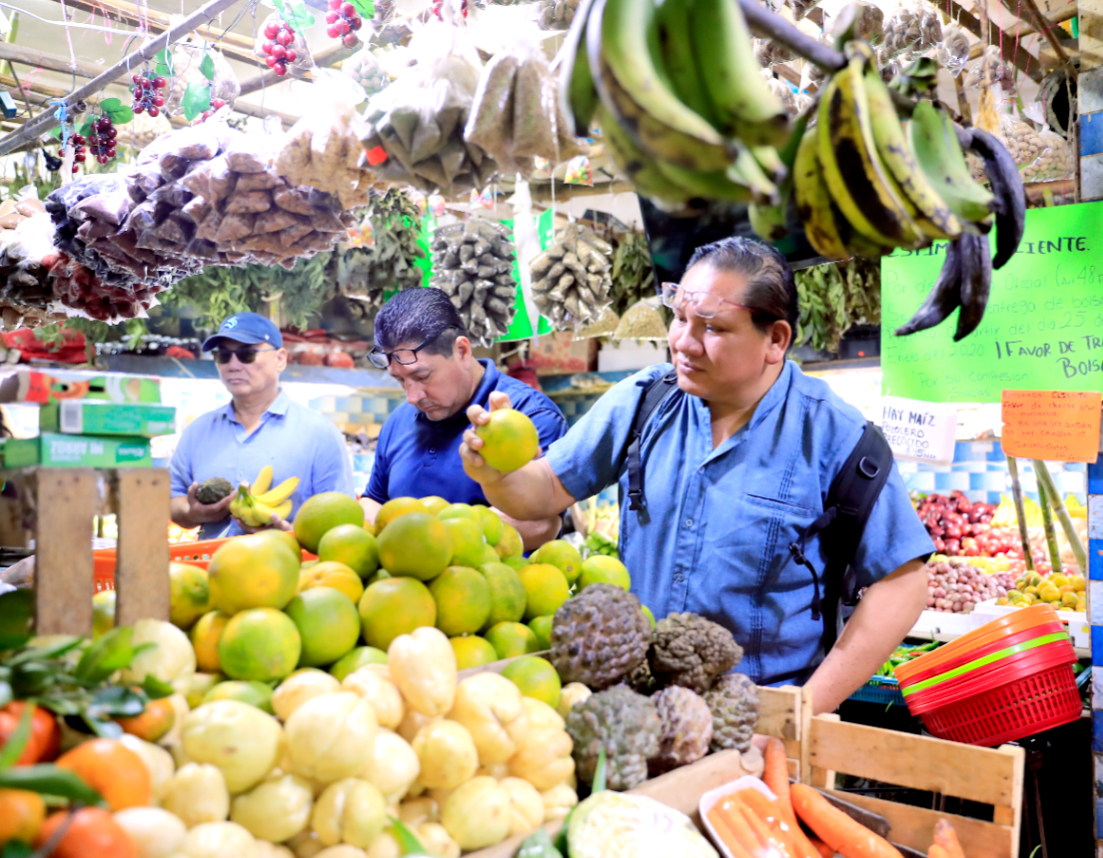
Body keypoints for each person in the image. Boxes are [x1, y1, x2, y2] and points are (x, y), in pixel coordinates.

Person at [461, 238, 932, 714]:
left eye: (713, 328)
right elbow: (542, 491)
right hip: (639, 705)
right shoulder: (643, 401)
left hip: (760, 717)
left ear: (776, 340)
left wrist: (808, 704)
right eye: (681, 317)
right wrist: (495, 472)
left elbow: (904, 583)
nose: (684, 342)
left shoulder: (836, 436)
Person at [361, 288, 567, 550]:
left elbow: (542, 524)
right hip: (404, 586)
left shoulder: (530, 415)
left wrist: (429, 542)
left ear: (461, 351)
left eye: (422, 376)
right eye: (400, 380)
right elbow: (374, 500)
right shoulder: (398, 420)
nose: (412, 397)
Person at [170, 313, 354, 538]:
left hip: (290, 568)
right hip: (209, 569)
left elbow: (343, 519)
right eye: (223, 355)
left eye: (247, 354)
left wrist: (293, 533)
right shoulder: (196, 432)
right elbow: (171, 501)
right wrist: (194, 513)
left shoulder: (320, 434)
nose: (233, 365)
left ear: (280, 359)